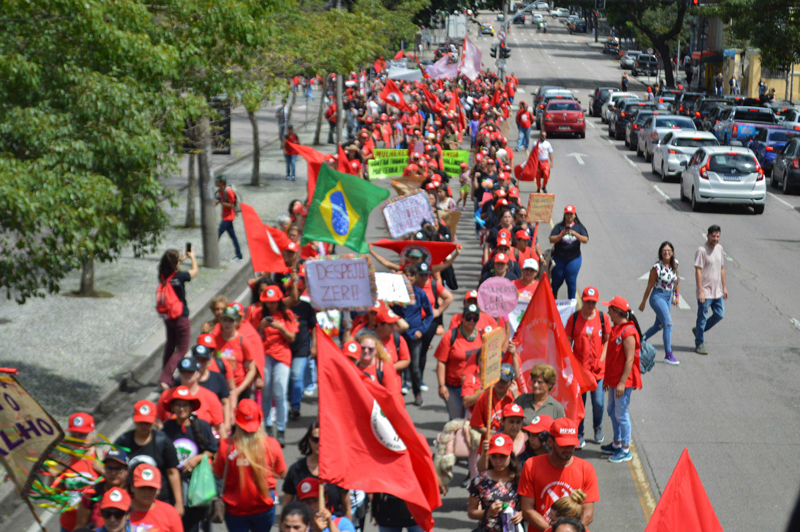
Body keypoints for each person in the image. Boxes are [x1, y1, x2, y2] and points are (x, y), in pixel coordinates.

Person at [214, 399, 287, 532]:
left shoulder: (225, 446)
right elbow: (282, 473)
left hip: (235, 510)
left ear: (236, 420)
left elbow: (218, 474)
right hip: (264, 507)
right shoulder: (271, 445)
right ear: (259, 419)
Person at [518, 418, 599, 531]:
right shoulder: (531, 465)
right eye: (563, 445)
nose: (568, 449)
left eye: (571, 445)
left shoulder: (586, 469)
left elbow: (588, 513)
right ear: (550, 442)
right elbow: (527, 509)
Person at [161, 386, 219, 532]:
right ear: (172, 407)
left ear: (191, 407)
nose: (181, 408)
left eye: (185, 405)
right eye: (178, 405)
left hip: (196, 484)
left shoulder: (202, 426)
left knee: (193, 522)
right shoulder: (167, 428)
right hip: (172, 484)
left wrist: (198, 458)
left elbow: (213, 449)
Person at [114, 400, 182, 510]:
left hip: (160, 499)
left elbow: (172, 472)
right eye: (140, 422)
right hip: (131, 501)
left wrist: (179, 502)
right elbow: (114, 468)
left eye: (148, 423)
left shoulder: (163, 441)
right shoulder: (124, 441)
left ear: (154, 420)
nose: (144, 426)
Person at [600, 296, 642, 463]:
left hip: (622, 382)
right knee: (612, 411)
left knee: (621, 414)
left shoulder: (628, 332)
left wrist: (622, 383)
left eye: (610, 309)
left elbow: (629, 360)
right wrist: (607, 380)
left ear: (617, 312)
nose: (608, 312)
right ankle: (617, 443)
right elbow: (612, 358)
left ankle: (625, 449)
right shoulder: (617, 328)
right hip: (613, 380)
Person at [566, 287, 610, 447]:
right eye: (587, 301)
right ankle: (579, 433)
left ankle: (597, 427)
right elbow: (566, 343)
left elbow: (607, 341)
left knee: (598, 402)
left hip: (598, 372)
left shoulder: (603, 318)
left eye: (593, 302)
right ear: (582, 301)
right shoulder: (574, 318)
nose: (590, 304)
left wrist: (602, 359)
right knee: (579, 404)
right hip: (580, 373)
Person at [283, 421, 352, 518]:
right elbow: (286, 506)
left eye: (324, 438)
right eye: (315, 439)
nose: (320, 443)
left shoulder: (338, 468)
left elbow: (347, 508)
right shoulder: (296, 469)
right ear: (309, 440)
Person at [258, 285, 299, 446]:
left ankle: (281, 430)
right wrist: (261, 326)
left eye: (274, 302)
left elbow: (291, 338)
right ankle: (268, 427)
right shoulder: (259, 314)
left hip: (282, 356)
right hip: (265, 356)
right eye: (268, 302)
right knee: (266, 392)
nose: (271, 305)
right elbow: (251, 335)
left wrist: (279, 327)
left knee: (280, 392)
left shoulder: (287, 314)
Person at [157, 248, 198, 388]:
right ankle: (166, 378)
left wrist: (180, 259)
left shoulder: (162, 275)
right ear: (175, 264)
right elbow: (194, 271)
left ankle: (166, 376)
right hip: (180, 316)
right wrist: (192, 257)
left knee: (170, 345)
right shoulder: (180, 276)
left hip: (168, 316)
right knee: (182, 349)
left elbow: (170, 267)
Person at [436, 305, 485, 420]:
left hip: (473, 387)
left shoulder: (482, 336)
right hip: (454, 387)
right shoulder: (450, 336)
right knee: (456, 420)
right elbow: (441, 362)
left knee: (472, 419)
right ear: (462, 318)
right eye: (468, 317)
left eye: (475, 318)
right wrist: (441, 385)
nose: (471, 321)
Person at [467, 435, 524, 532]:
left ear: (511, 455)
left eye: (503, 456)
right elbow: (471, 512)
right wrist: (487, 512)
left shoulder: (520, 479)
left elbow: (529, 507)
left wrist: (522, 514)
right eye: (494, 456)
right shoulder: (480, 480)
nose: (498, 461)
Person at [639, 242, 680, 365]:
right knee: (668, 323)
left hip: (668, 297)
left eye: (669, 250)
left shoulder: (675, 264)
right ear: (661, 253)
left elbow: (676, 280)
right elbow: (650, 285)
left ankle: (640, 340)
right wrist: (643, 302)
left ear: (672, 252)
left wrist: (676, 296)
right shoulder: (657, 268)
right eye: (664, 250)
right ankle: (668, 354)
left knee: (659, 325)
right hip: (658, 297)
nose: (667, 252)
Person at [74, 449, 129, 530]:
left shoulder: (134, 492)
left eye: (118, 469)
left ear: (127, 470)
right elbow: (81, 526)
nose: (113, 473)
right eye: (109, 468)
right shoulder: (92, 493)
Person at [693, 225, 727, 355]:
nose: (715, 239)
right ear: (708, 236)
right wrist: (700, 290)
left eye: (717, 236)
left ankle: (698, 330)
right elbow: (698, 271)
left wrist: (724, 287)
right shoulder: (701, 250)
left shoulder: (719, 248)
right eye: (713, 236)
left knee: (720, 314)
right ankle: (699, 343)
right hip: (706, 292)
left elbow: (722, 268)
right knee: (702, 318)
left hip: (717, 291)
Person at [215, 305, 258, 405]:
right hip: (221, 388)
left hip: (239, 387)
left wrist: (239, 389)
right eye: (225, 320)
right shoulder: (215, 340)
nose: (227, 324)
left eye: (231, 321)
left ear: (236, 322)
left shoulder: (243, 341)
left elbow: (252, 369)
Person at [549, 205, 588, 300]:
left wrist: (575, 234)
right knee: (556, 280)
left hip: (574, 259)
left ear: (575, 215)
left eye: (571, 214)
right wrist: (561, 235)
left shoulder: (579, 227)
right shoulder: (559, 227)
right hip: (559, 258)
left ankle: (571, 303)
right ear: (564, 215)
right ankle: (553, 300)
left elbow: (585, 239)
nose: (569, 216)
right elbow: (551, 239)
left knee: (571, 280)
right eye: (567, 214)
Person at [129, 464, 183, 532]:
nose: (147, 491)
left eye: (151, 488)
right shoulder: (120, 509)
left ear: (158, 490)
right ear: (132, 487)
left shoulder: (170, 513)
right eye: (142, 487)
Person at [471, 364, 518, 440]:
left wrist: (516, 397)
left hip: (510, 444)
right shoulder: (485, 396)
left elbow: (524, 423)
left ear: (511, 382)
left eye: (504, 381)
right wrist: (494, 433)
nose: (500, 384)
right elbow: (475, 424)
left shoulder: (516, 397)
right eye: (499, 380)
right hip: (489, 444)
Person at [478, 403, 526, 472]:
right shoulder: (492, 439)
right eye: (511, 422)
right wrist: (484, 454)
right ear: (502, 422)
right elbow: (481, 470)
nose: (515, 426)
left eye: (518, 422)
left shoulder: (527, 440)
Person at [215, 174, 243, 261]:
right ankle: (239, 255)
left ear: (221, 182)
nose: (215, 183)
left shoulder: (229, 191)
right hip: (225, 216)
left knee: (217, 235)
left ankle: (212, 254)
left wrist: (221, 202)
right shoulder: (220, 191)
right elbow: (218, 201)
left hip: (228, 217)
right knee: (233, 236)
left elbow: (232, 205)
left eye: (217, 181)